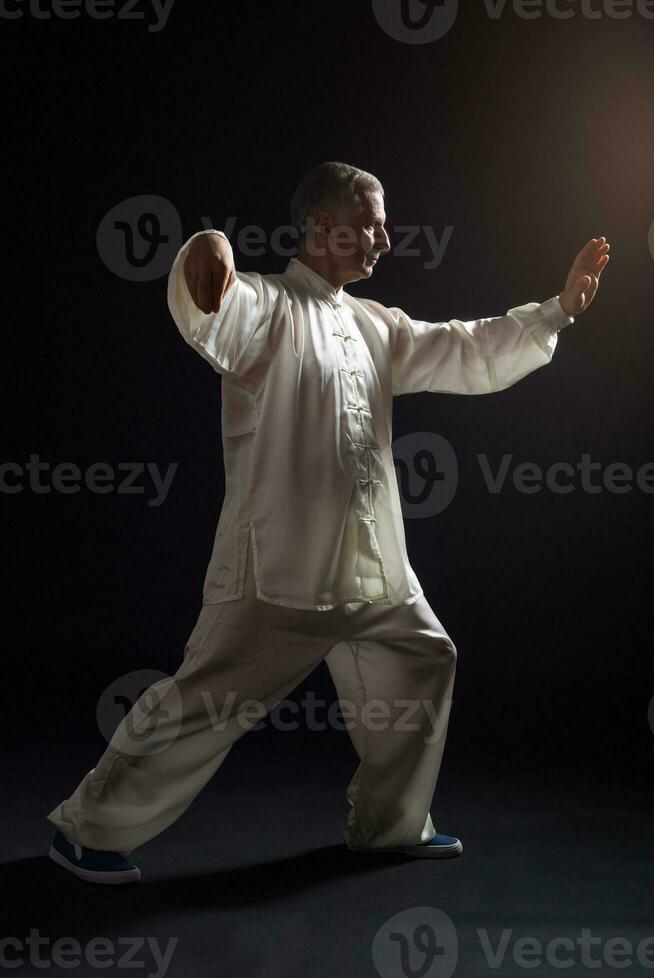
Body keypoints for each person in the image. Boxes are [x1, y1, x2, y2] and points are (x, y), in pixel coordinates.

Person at [46, 161, 610, 884]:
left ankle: (389, 826)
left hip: (378, 570)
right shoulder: (268, 305)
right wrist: (208, 251)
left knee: (424, 661)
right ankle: (85, 828)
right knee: (203, 701)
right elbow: (214, 303)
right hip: (280, 569)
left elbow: (465, 349)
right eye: (371, 223)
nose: (384, 237)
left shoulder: (375, 325)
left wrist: (556, 311)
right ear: (323, 228)